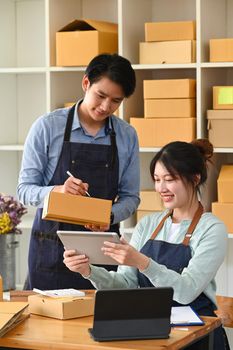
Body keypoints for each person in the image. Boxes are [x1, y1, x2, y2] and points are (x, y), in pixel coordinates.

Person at [64, 138, 229, 350]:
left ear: (195, 178)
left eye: (169, 179)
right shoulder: (148, 224)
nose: (161, 188)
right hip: (152, 333)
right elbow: (126, 284)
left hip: (197, 337)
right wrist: (88, 271)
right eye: (157, 179)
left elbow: (186, 292)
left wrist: (142, 262)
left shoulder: (212, 228)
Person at [17, 53, 140, 290]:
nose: (106, 107)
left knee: (100, 323)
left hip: (102, 251)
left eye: (115, 101)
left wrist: (109, 217)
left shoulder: (127, 135)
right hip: (52, 248)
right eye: (101, 96)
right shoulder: (47, 127)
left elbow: (131, 197)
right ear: (86, 83)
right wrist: (58, 191)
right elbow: (24, 190)